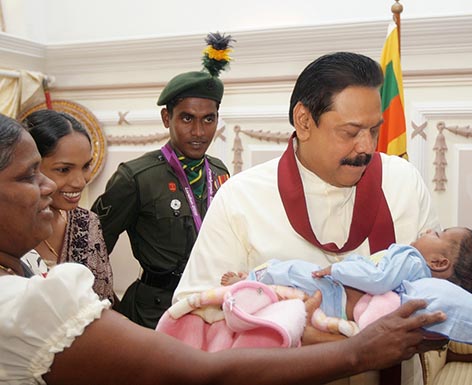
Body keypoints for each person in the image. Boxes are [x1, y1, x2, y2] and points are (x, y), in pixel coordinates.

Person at [0, 112, 449, 385]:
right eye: (28, 176)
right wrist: (360, 352)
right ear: (305, 122)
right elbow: (201, 373)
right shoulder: (26, 304)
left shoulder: (27, 269)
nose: (50, 187)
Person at [174, 51, 441, 385]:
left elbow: (440, 295)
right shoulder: (241, 197)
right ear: (303, 121)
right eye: (350, 131)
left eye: (374, 130)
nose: (367, 147)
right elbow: (196, 311)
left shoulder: (403, 181)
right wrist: (319, 336)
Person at [91, 33, 232, 328]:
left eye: (209, 119)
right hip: (154, 310)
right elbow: (93, 247)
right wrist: (106, 309)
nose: (199, 131)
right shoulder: (136, 177)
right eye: (187, 118)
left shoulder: (220, 173)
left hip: (210, 307)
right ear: (166, 118)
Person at [221, 227, 472, 334]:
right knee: (290, 292)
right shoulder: (420, 277)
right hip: (341, 300)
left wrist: (335, 271)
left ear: (439, 262)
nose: (430, 230)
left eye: (439, 234)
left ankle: (251, 280)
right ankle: (256, 290)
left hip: (337, 288)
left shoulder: (411, 258)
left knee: (294, 271)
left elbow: (378, 279)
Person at [19, 109, 115, 305]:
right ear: (29, 167)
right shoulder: (8, 230)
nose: (80, 182)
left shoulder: (87, 223)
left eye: (86, 166)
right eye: (64, 170)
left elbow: (103, 301)